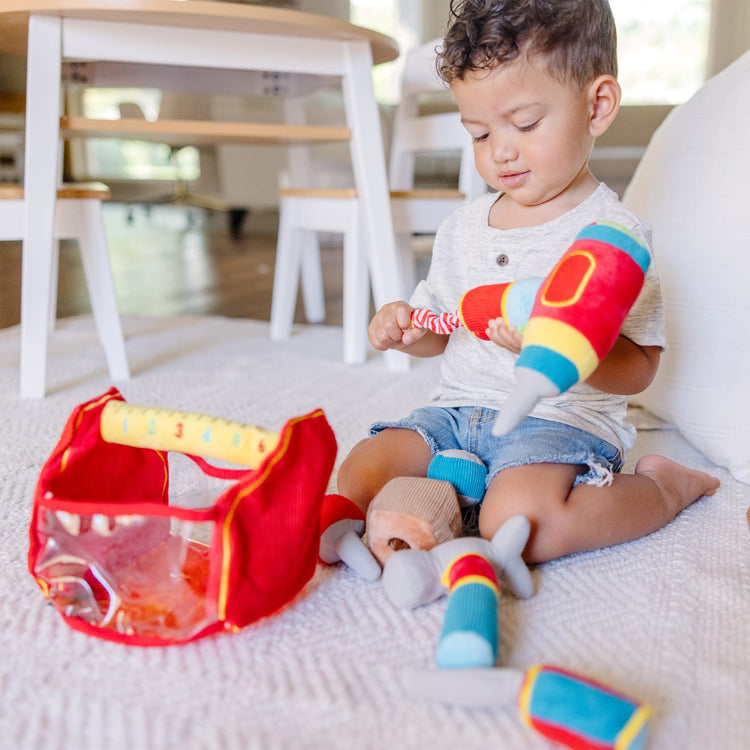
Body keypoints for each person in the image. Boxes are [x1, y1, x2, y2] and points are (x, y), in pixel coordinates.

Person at [337, 0, 719, 563]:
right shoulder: (462, 228)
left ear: (597, 106)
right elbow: (439, 329)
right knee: (359, 475)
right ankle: (449, 497)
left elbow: (639, 369)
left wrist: (568, 348)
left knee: (520, 526)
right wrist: (403, 327)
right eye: (480, 133)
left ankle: (665, 489)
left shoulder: (613, 239)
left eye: (525, 124)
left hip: (557, 423)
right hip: (454, 415)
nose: (502, 152)